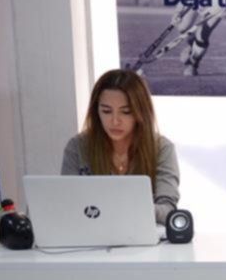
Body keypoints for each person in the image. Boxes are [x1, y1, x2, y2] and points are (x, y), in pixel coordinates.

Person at [62, 69, 180, 225]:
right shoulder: (77, 146)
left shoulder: (162, 148)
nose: (115, 121)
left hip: (142, 234)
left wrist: (125, 208)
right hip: (91, 233)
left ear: (140, 113)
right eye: (106, 111)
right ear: (96, 111)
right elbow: (67, 203)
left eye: (126, 112)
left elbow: (168, 210)